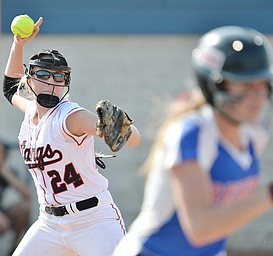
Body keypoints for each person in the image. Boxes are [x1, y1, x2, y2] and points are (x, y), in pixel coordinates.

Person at [113, 25, 273, 256]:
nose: (257, 96)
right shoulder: (192, 132)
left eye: (261, 83)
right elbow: (199, 230)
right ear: (213, 85)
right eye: (245, 84)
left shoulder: (253, 134)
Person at [2, 16, 141, 256]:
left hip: (93, 221)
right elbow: (10, 87)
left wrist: (116, 125)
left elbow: (133, 138)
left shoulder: (69, 117)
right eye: (44, 75)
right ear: (30, 78)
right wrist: (19, 44)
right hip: (49, 224)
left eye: (59, 77)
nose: (52, 83)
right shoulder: (30, 111)